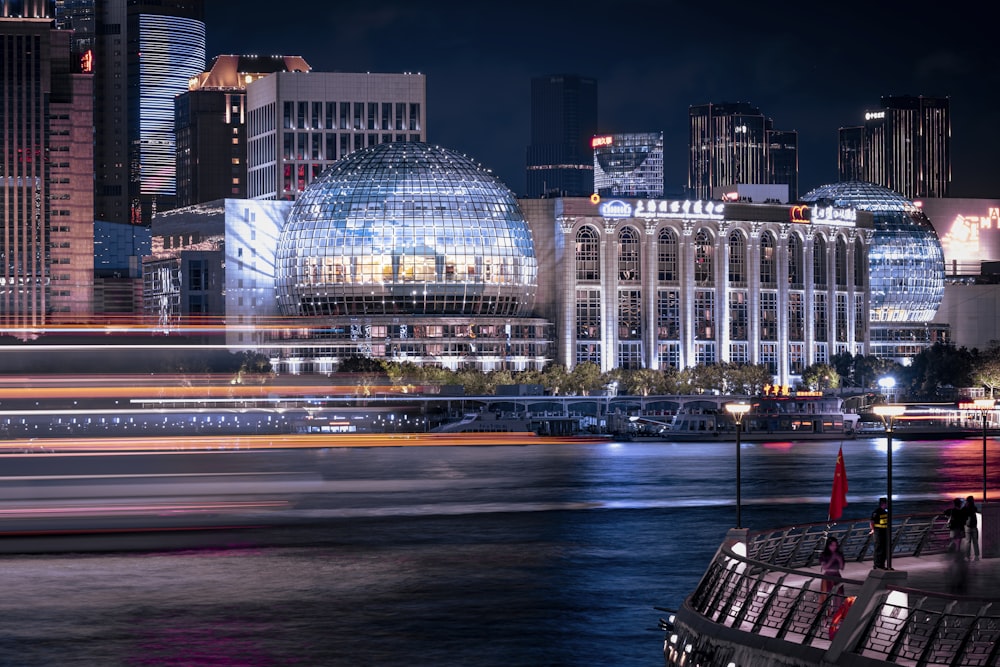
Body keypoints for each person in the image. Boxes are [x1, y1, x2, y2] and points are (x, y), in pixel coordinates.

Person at [818, 535, 846, 609]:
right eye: (832, 545)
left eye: (835, 545)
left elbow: (842, 567)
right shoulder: (824, 555)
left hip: (837, 576)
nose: (834, 547)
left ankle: (837, 614)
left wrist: (839, 559)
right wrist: (832, 559)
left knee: (839, 595)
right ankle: (825, 614)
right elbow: (825, 567)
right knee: (826, 596)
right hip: (827, 576)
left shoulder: (839, 554)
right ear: (828, 546)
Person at [870, 497, 889, 569]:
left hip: (884, 532)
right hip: (878, 532)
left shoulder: (885, 512)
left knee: (884, 549)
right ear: (883, 504)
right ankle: (877, 565)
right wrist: (873, 530)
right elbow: (872, 522)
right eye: (886, 503)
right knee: (878, 549)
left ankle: (882, 565)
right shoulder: (876, 512)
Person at [964, 496, 980, 561]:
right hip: (974, 526)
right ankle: (976, 556)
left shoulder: (965, 508)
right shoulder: (974, 507)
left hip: (967, 527)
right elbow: (977, 510)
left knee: (968, 542)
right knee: (975, 542)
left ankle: (967, 556)